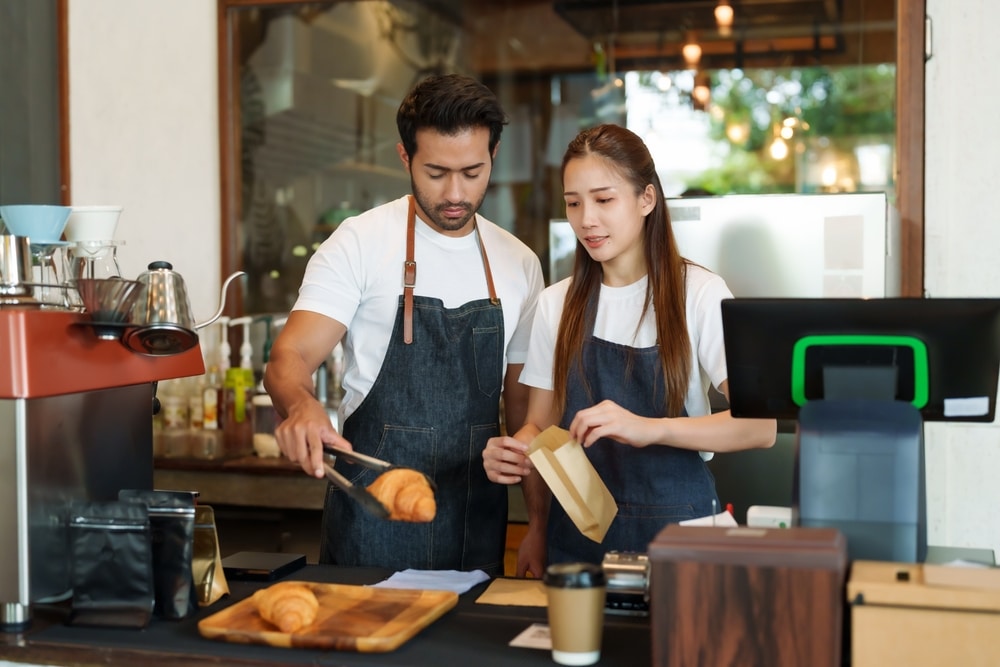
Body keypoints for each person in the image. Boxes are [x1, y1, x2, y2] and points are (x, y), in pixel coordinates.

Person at [264, 74, 545, 576]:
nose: (455, 192)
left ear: (494, 156)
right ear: (404, 157)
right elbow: (290, 358)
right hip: (373, 518)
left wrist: (540, 526)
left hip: (475, 520)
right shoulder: (359, 242)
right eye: (436, 172)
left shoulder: (519, 262)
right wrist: (302, 407)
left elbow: (526, 412)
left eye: (472, 172)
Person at [482, 124, 776, 576]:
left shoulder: (697, 292)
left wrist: (651, 429)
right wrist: (517, 454)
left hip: (682, 536)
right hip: (579, 541)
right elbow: (541, 428)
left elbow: (761, 426)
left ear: (646, 200)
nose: (586, 220)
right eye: (573, 203)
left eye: (604, 200)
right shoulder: (556, 304)